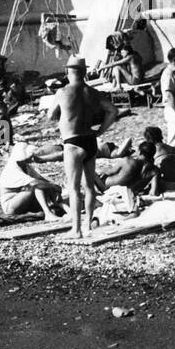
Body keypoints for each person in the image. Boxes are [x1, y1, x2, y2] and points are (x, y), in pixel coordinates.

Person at [48, 54, 119, 239]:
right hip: (90, 141)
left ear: (67, 71)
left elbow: (50, 116)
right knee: (89, 187)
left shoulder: (62, 92)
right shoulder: (93, 93)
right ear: (85, 72)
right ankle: (88, 226)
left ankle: (76, 230)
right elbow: (113, 110)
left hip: (72, 142)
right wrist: (101, 130)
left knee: (73, 188)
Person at [0, 142, 63, 216]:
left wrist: (54, 187)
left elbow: (41, 179)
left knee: (46, 187)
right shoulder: (12, 168)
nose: (31, 158)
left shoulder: (26, 166)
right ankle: (48, 214)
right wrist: (53, 186)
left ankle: (55, 207)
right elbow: (34, 183)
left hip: (24, 199)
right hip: (10, 205)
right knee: (37, 186)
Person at [96, 141, 162, 195]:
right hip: (128, 193)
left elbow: (109, 172)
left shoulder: (127, 161)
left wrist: (101, 170)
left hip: (106, 187)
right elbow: (153, 192)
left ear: (139, 152)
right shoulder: (155, 171)